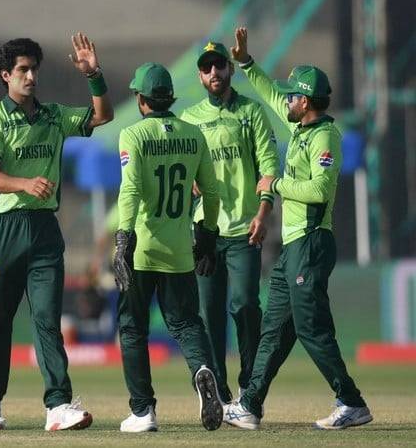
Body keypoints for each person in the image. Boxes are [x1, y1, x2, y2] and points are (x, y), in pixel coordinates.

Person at [223, 27, 372, 430]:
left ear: (304, 101)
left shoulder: (325, 136)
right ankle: (250, 404)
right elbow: (271, 93)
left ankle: (351, 401)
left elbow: (321, 191)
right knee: (274, 329)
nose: (285, 99)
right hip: (293, 248)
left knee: (310, 326)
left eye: (292, 95)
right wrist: (246, 63)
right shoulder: (301, 127)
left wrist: (276, 185)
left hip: (312, 242)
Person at [0, 34, 113, 431]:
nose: (31, 75)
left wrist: (94, 75)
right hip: (5, 230)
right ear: (6, 75)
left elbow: (101, 115)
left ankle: (58, 405)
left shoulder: (53, 115)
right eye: (23, 70)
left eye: (34, 68)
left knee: (48, 320)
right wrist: (23, 183)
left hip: (44, 233)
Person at [113, 62, 223, 433]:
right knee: (188, 324)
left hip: (143, 250)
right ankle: (204, 372)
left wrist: (123, 241)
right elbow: (211, 191)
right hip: (179, 251)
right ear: (170, 98)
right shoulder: (195, 135)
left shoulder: (133, 135)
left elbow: (129, 190)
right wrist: (206, 236)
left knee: (132, 329)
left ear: (141, 99)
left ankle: (143, 412)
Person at [181, 41, 279, 404]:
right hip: (205, 232)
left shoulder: (251, 112)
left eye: (219, 66)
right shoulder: (189, 119)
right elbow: (182, 171)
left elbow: (269, 166)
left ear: (230, 69)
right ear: (200, 75)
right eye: (207, 68)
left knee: (245, 305)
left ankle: (249, 387)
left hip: (243, 231)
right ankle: (218, 392)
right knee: (210, 315)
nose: (214, 73)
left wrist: (263, 213)